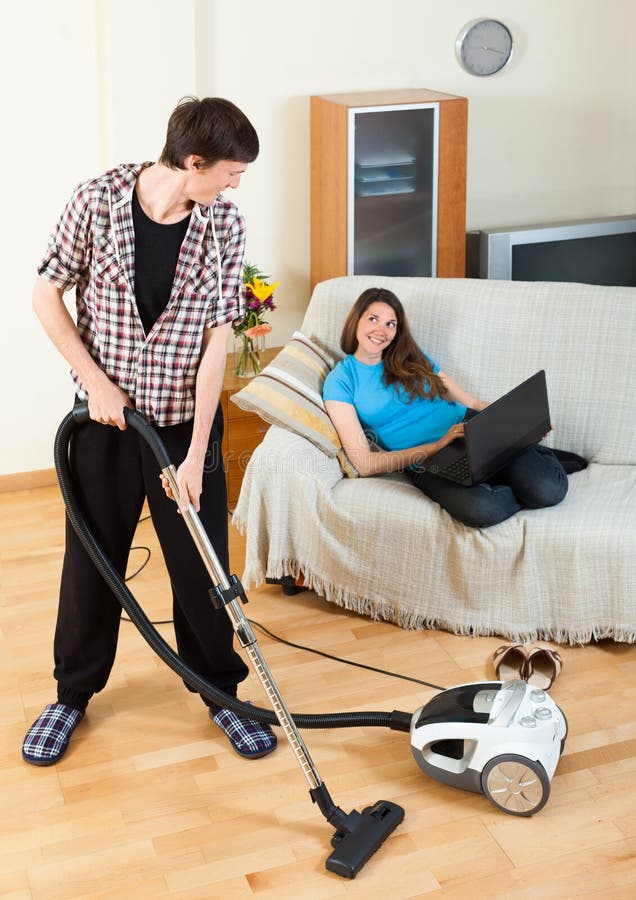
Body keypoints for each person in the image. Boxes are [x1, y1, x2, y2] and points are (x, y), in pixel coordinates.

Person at [22, 97, 277, 766]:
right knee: (93, 562)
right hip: (103, 423)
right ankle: (70, 697)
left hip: (185, 424)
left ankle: (223, 695)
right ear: (193, 162)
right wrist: (96, 382)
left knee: (201, 563)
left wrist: (195, 456)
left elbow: (218, 338)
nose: (235, 184)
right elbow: (45, 292)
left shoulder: (223, 224)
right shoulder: (99, 201)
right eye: (229, 171)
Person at [323, 287, 568, 528]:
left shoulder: (411, 357)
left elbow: (470, 402)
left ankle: (528, 459)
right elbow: (364, 464)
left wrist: (519, 423)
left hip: (471, 431)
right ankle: (523, 467)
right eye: (373, 319)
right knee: (482, 510)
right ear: (356, 320)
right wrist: (438, 445)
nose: (381, 330)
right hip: (428, 462)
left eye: (391, 324)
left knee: (548, 490)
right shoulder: (341, 381)